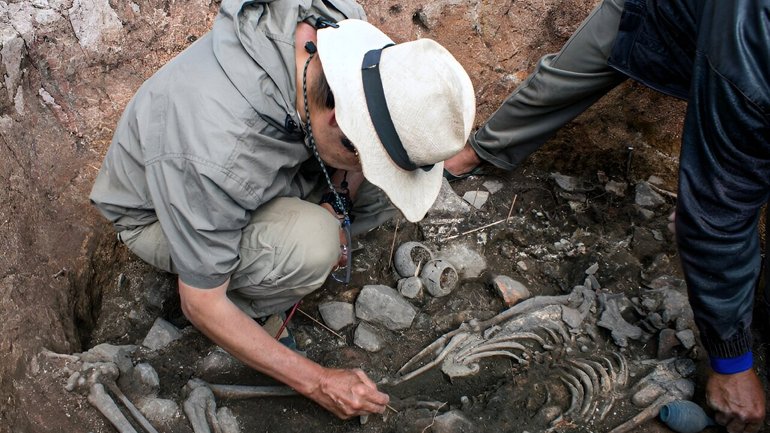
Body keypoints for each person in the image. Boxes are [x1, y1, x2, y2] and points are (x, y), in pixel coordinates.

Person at [90, 0, 475, 419]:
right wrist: (320, 382)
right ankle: (255, 304)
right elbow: (200, 302)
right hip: (158, 214)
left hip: (260, 171)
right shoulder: (218, 151)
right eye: (364, 156)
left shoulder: (341, 30)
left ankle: (294, 235)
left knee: (380, 193)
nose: (369, 169)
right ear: (338, 124)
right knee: (313, 245)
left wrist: (337, 199)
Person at [444, 1, 769, 432]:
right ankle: (472, 155)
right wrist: (731, 362)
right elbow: (719, 213)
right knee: (562, 80)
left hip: (729, 54)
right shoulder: (753, 53)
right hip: (666, 16)